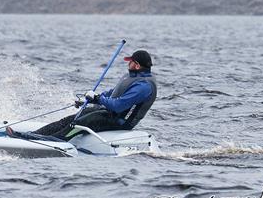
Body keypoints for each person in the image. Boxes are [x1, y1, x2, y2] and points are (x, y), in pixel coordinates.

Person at [9, 49, 157, 141]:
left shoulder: (144, 86)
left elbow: (118, 106)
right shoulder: (132, 77)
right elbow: (112, 94)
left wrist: (98, 99)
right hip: (109, 113)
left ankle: (45, 141)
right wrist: (92, 98)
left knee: (77, 124)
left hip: (119, 122)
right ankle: (32, 135)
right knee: (70, 118)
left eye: (130, 62)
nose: (128, 64)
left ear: (137, 65)